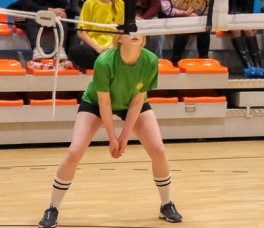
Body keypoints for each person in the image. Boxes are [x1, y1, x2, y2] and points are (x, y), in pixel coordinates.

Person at [36, 32, 182, 227]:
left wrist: (124, 137)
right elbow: (104, 103)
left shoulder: (150, 60)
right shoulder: (104, 61)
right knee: (74, 151)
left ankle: (166, 204)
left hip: (131, 103)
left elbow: (138, 100)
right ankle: (52, 208)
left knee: (158, 150)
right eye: (130, 31)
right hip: (96, 103)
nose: (135, 34)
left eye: (139, 31)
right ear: (119, 38)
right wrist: (112, 138)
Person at [71, 0, 124, 71]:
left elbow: (121, 31)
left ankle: (103, 63)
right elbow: (81, 32)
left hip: (113, 47)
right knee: (75, 51)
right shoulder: (89, 3)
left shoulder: (120, 4)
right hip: (93, 47)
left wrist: (111, 47)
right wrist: (98, 48)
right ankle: (107, 64)